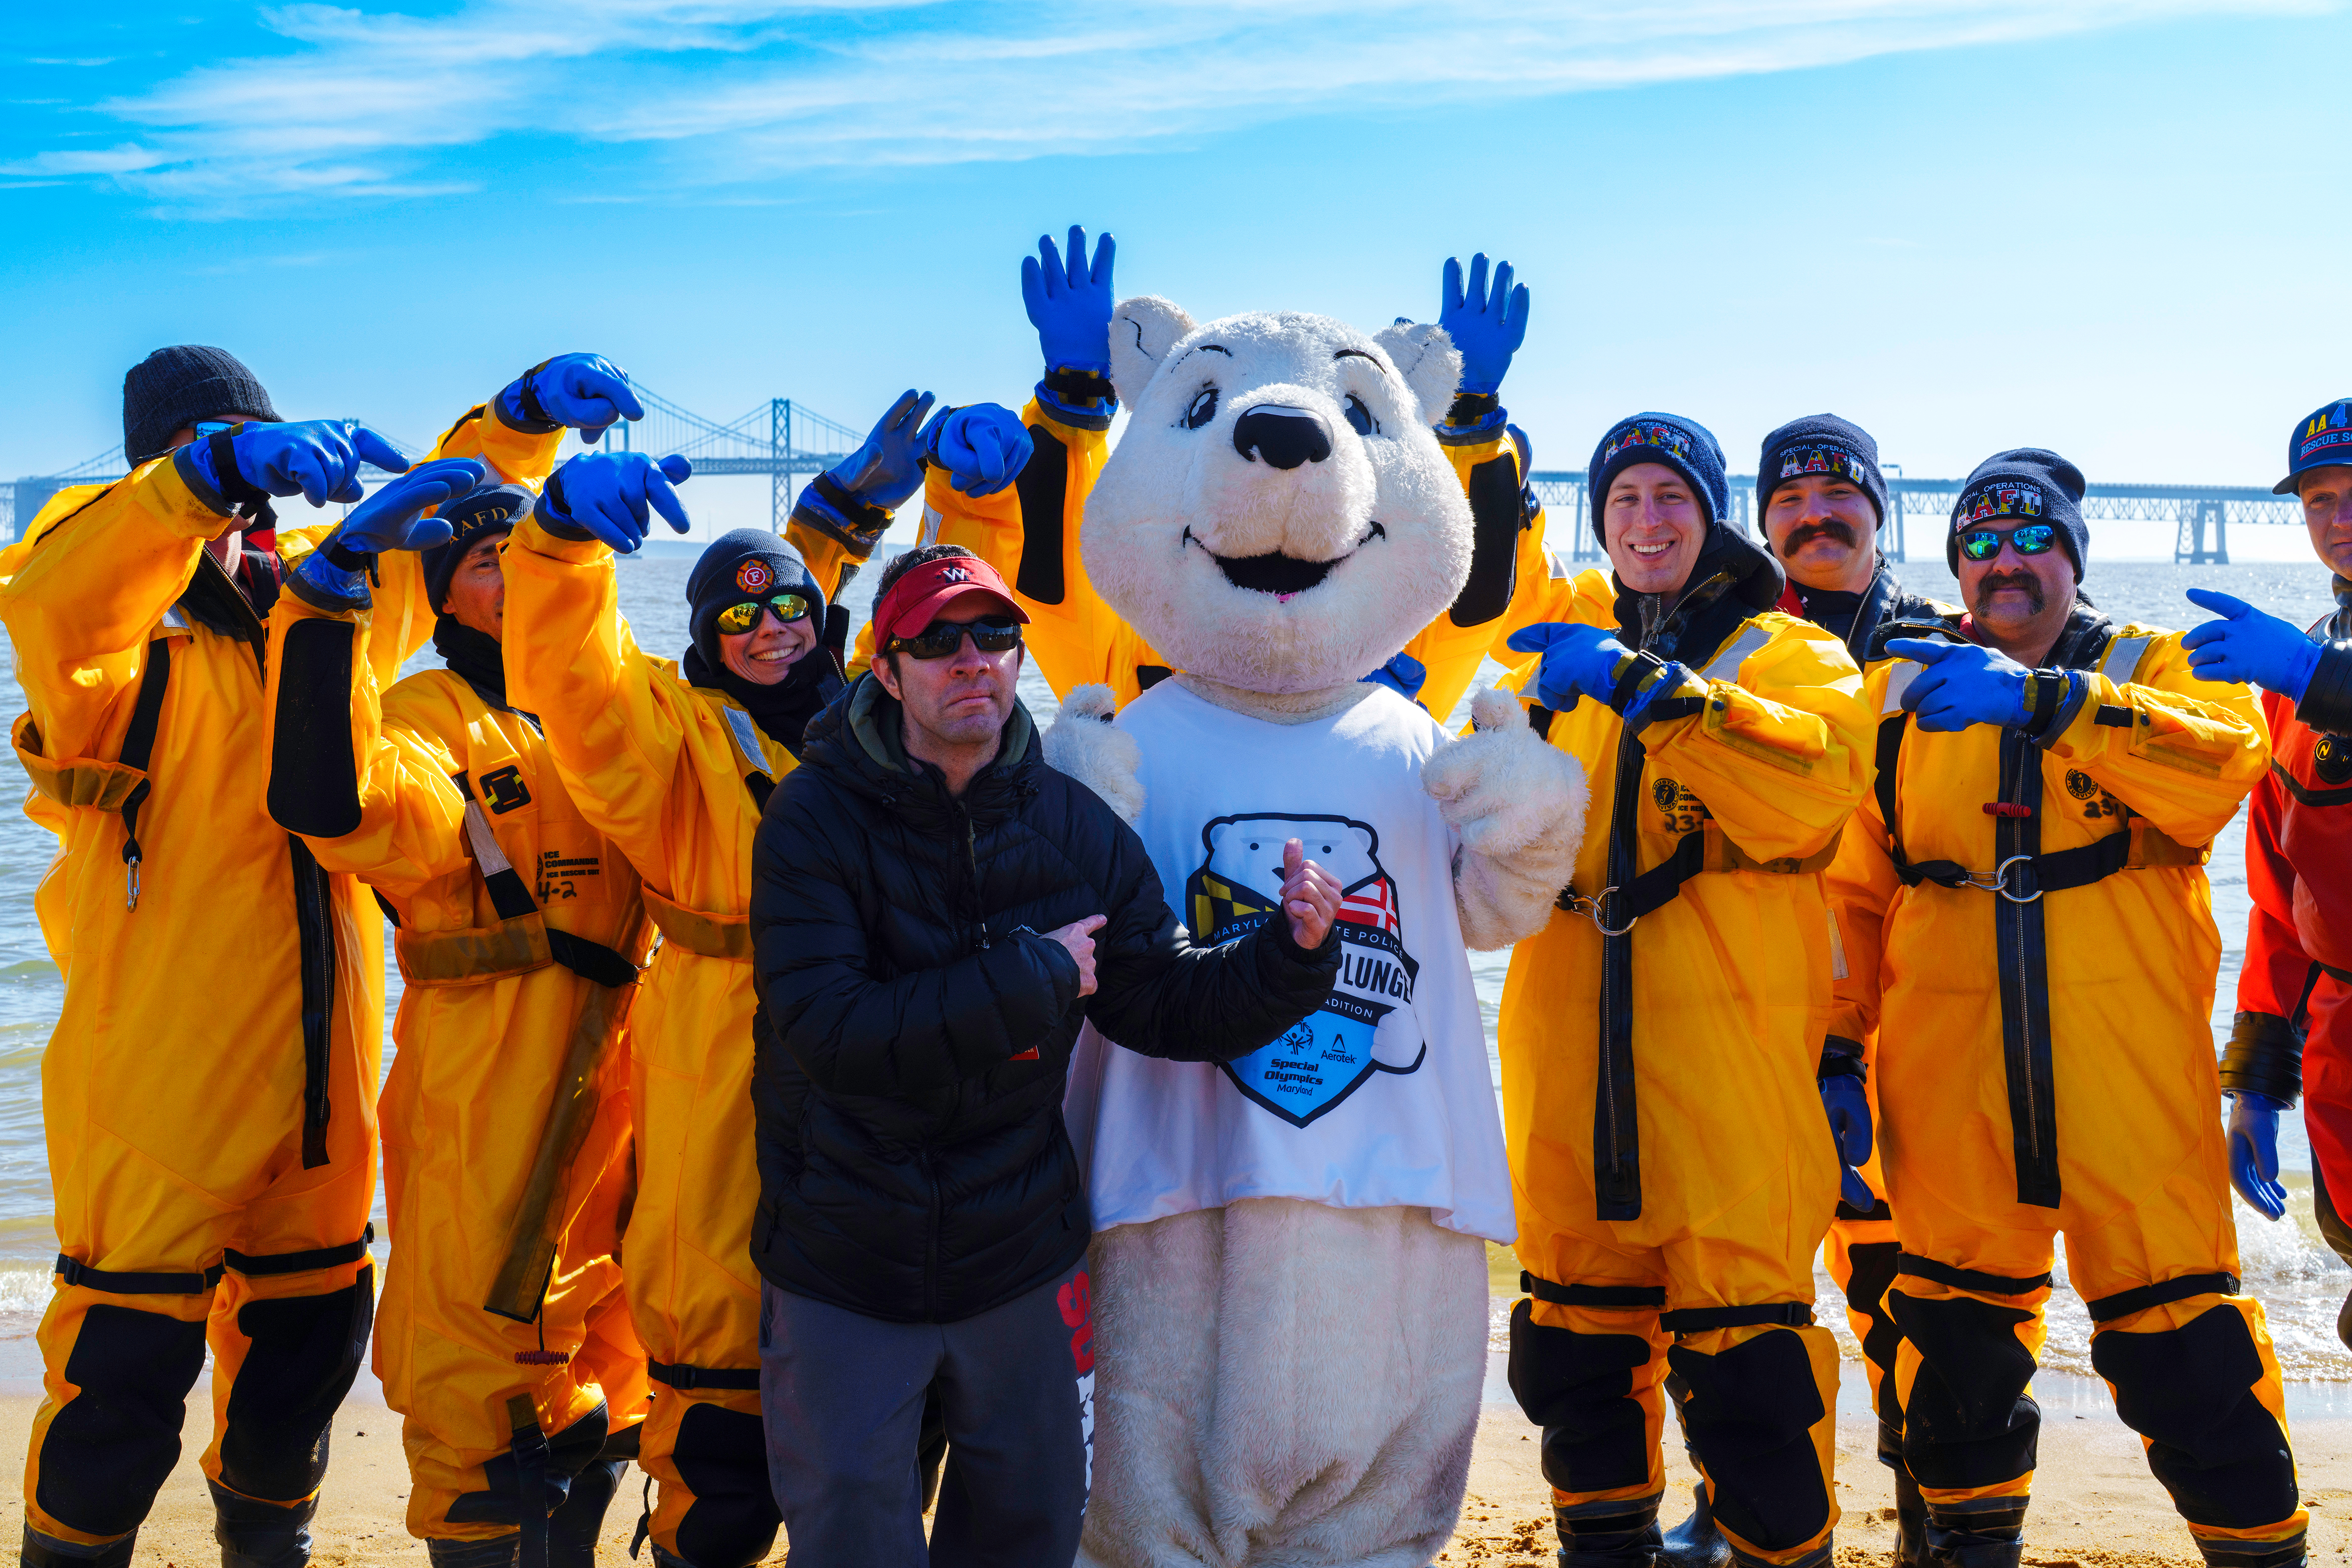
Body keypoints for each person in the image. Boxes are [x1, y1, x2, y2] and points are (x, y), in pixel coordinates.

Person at [0, 346, 555, 1568]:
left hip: (326, 1077)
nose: (249, 499)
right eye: (215, 457)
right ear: (168, 466)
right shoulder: (113, 642)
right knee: (122, 1382)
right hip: (161, 1083)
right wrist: (191, 483)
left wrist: (518, 427)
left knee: (305, 1360)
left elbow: (438, 514)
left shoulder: (328, 593)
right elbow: (60, 592)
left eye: (255, 451)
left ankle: (270, 1548)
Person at [747, 542, 1348, 1568]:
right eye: (937, 641)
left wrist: (1293, 957)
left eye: (994, 634)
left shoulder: (1072, 824)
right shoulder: (813, 816)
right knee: (853, 1542)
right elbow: (832, 1033)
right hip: (844, 1252)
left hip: (1016, 1255)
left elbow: (1163, 1003)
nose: (971, 659)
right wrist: (1027, 979)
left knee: (1030, 1537)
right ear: (884, 671)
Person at [499, 393, 1011, 1567]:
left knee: (891, 1398)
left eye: (790, 606)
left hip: (885, 1043)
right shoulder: (667, 741)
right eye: (738, 614)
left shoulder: (875, 718)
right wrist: (562, 544)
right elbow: (569, 682)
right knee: (722, 1383)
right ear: (702, 637)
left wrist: (938, 499)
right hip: (723, 1044)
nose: (771, 628)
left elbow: (976, 639)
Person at [1836, 450, 2301, 1567]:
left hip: (2130, 1093)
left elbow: (2224, 767)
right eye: (1980, 544)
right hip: (1953, 1098)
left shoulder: (2164, 663)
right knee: (1951, 1359)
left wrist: (2051, 702)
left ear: (2073, 559)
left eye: (2031, 538)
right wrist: (1831, 1051)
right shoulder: (1897, 701)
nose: (2006, 562)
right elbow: (1850, 897)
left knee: (2190, 1359)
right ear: (1953, 571)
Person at [260, 354, 658, 1567]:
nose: (518, 565)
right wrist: (327, 599)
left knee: (617, 1359)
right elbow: (334, 803)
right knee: (472, 1363)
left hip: (636, 1074)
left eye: (531, 544)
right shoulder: (430, 721)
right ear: (439, 594)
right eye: (488, 555)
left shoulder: (616, 696)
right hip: (489, 1079)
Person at [1499, 412, 1872, 1568]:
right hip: (1566, 1069)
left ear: (1711, 514)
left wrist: (1649, 693)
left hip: (1729, 1091)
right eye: (1622, 503)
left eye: (1669, 497)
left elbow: (1809, 793)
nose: (1646, 522)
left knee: (1752, 1381)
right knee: (1574, 1365)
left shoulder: (1787, 654)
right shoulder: (1558, 644)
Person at [877, 229, 1561, 723]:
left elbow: (1456, 583)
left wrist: (1469, 434)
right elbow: (1056, 582)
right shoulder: (1134, 666)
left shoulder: (1388, 685)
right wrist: (1070, 405)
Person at [1754, 412, 1954, 1559]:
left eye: (1839, 500)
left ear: (1880, 513)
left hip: (1895, 1031)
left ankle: (1926, 1513)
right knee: (1745, 1295)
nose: (1814, 518)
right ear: (1764, 518)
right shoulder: (1726, 642)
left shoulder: (1932, 646)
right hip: (1753, 1019)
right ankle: (1747, 1507)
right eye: (1788, 503)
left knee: (1902, 1299)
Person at [2178, 397, 2352, 1352]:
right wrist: (2256, 1084)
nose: (2340, 518)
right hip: (2341, 1043)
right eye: (2320, 498)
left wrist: (2320, 678)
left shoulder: (2306, 670)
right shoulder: (2298, 673)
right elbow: (2279, 899)